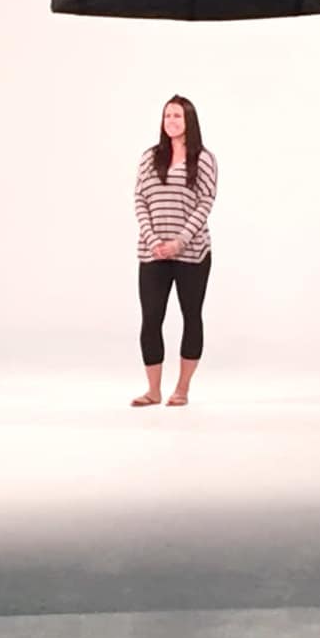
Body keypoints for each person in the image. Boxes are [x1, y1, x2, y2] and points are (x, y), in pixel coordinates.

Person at [133, 95, 217, 408]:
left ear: (189, 121)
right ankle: (153, 390)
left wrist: (180, 241)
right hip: (153, 252)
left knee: (191, 317)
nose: (171, 121)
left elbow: (206, 202)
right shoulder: (150, 157)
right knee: (151, 319)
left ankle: (182, 389)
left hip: (192, 254)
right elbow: (140, 198)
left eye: (177, 116)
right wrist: (152, 238)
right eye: (167, 115)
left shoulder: (204, 159)